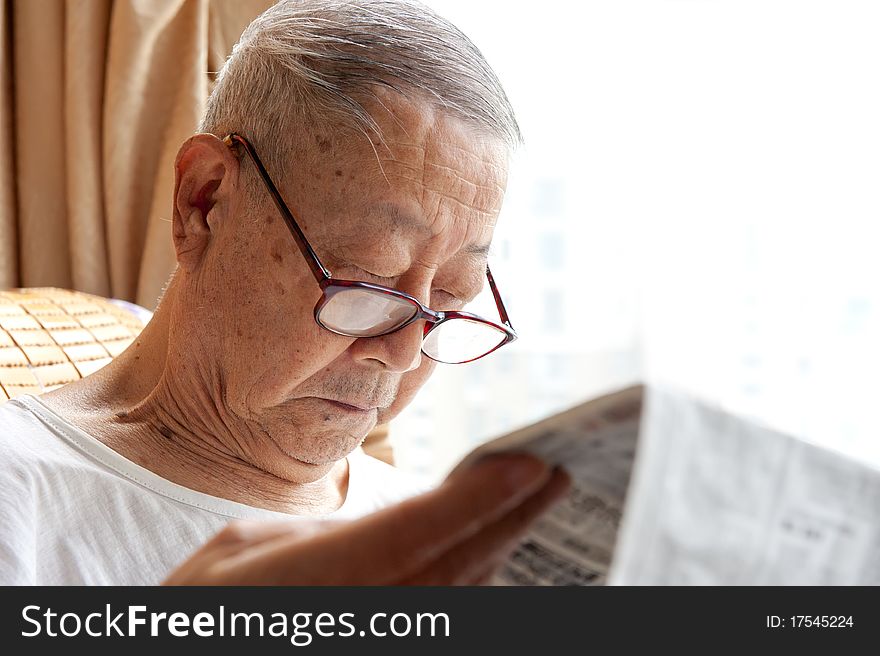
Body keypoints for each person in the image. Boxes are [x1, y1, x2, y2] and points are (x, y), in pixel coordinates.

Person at [0, 0, 569, 585]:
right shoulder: (21, 495)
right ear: (204, 202)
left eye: (451, 298)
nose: (402, 355)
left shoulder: (444, 538)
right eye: (367, 280)